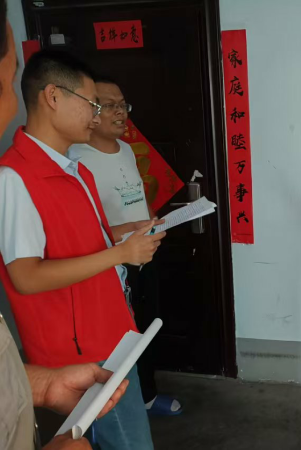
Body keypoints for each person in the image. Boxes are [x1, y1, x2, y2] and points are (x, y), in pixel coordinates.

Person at [0, 49, 166, 450]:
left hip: (111, 329)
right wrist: (121, 255)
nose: (96, 115)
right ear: (53, 97)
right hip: (78, 352)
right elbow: (26, 276)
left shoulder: (75, 170)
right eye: (91, 104)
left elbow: (85, 238)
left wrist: (126, 232)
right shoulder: (14, 178)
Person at [69, 77, 182, 415]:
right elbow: (83, 227)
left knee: (147, 327)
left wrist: (152, 219)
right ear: (90, 110)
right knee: (121, 337)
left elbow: (138, 194)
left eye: (123, 105)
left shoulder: (128, 150)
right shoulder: (76, 158)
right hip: (112, 264)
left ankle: (146, 396)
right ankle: (126, 403)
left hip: (145, 255)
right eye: (109, 105)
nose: (120, 112)